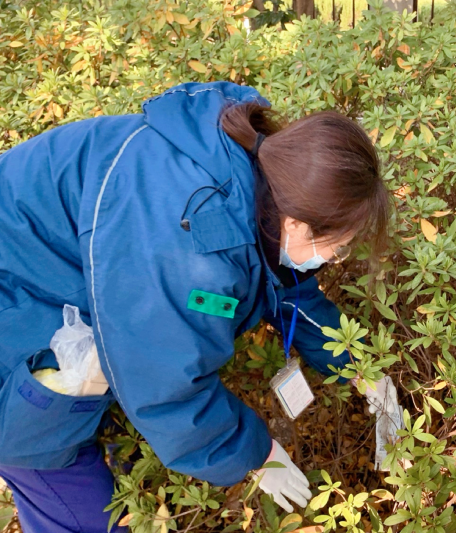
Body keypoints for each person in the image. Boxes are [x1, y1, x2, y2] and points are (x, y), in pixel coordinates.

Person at [0, 81, 393, 532]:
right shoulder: (191, 246)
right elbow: (162, 381)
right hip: (15, 325)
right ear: (298, 224)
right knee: (84, 510)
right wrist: (254, 450)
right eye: (337, 247)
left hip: (49, 286)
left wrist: (357, 366)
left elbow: (285, 286)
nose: (335, 259)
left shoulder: (252, 185)